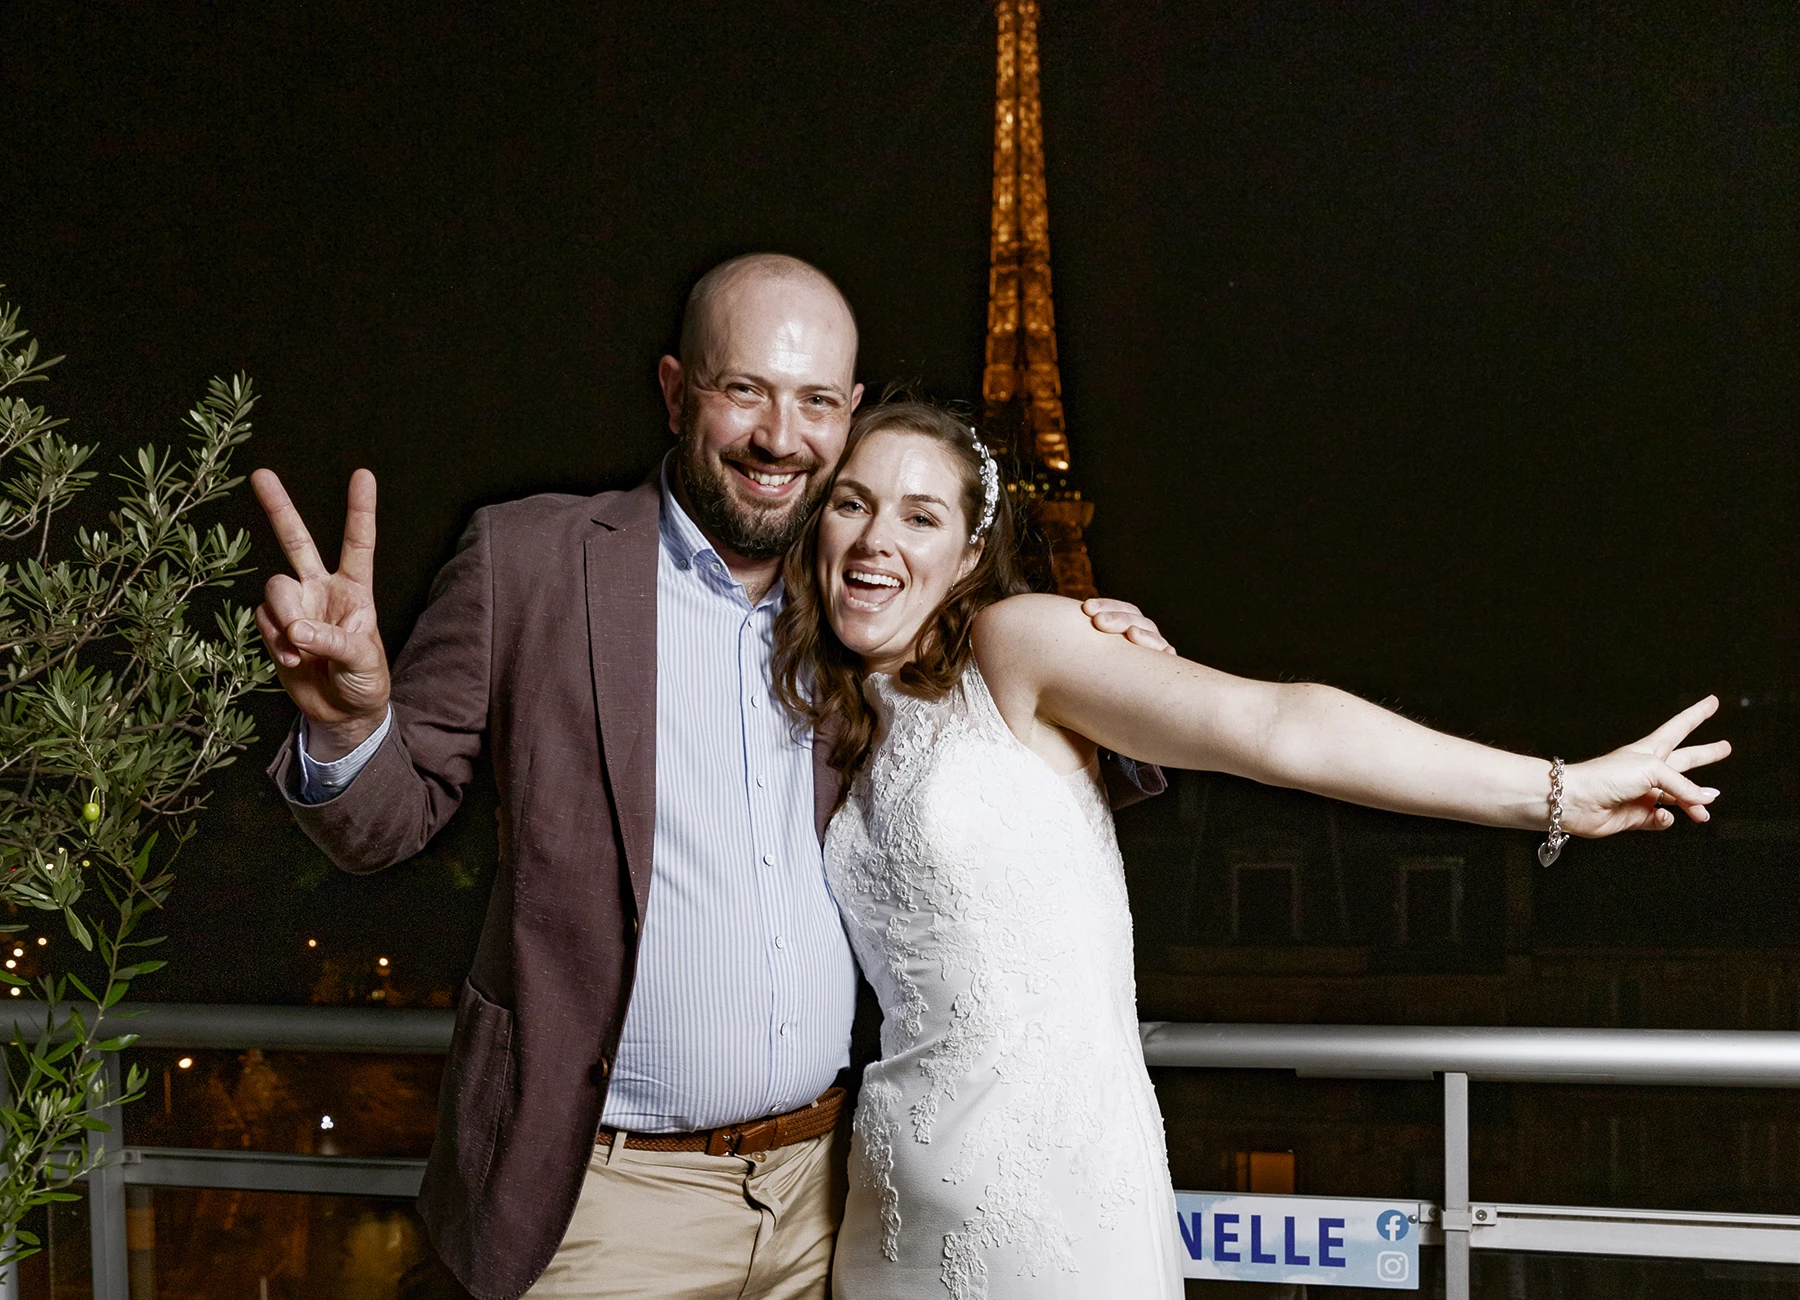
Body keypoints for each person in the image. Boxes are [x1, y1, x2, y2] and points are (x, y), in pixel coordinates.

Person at [252, 254, 1168, 1300]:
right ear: (678, 390)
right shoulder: (532, 559)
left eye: (816, 401)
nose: (782, 436)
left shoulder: (858, 607)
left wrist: (1108, 649)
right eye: (746, 391)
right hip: (603, 1205)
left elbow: (1004, 740)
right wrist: (352, 725)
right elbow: (384, 823)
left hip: (828, 1198)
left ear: (850, 412)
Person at [770, 399, 1730, 1300]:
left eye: (920, 515)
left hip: (1050, 1208)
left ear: (973, 549)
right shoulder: (843, 719)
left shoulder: (1018, 644)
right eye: (851, 502)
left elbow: (1278, 727)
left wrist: (1553, 789)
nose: (876, 539)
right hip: (887, 1202)